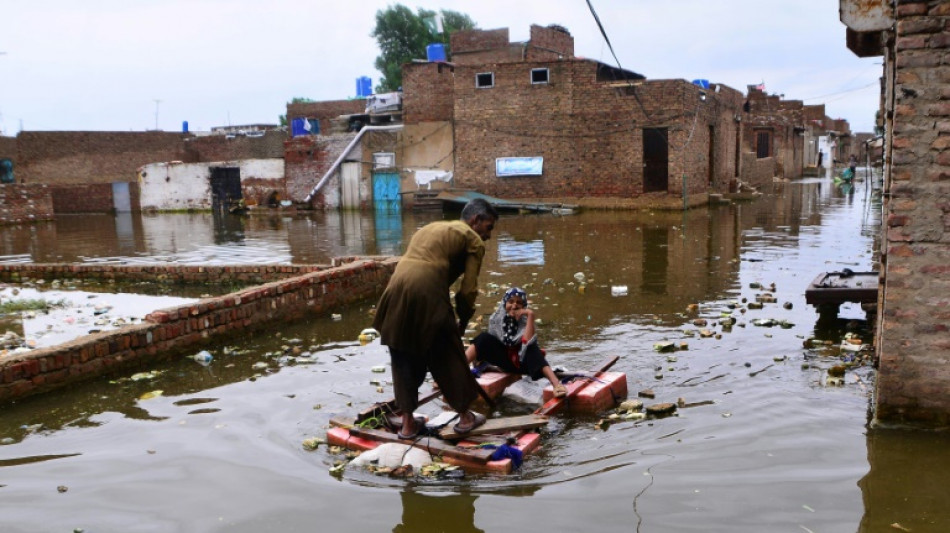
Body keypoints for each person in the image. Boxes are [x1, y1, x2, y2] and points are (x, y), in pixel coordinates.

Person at [373, 198, 499, 439]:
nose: (489, 235)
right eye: (489, 227)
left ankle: (408, 424)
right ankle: (465, 417)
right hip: (427, 290)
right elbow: (468, 289)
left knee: (403, 354)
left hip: (395, 288)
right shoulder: (472, 238)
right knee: (447, 354)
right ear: (476, 220)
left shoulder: (433, 227)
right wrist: (462, 320)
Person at [465, 287, 567, 399]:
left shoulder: (526, 321)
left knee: (531, 347)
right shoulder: (496, 319)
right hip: (504, 362)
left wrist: (530, 315)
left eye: (519, 303)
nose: (514, 306)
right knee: (483, 337)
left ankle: (556, 385)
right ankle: (459, 367)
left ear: (523, 306)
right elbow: (491, 345)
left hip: (524, 364)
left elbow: (527, 342)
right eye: (511, 302)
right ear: (505, 303)